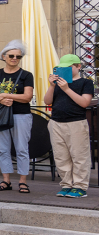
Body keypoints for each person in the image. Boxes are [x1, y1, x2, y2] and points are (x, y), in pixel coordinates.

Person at [0, 40, 35, 193]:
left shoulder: (26, 75)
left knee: (21, 149)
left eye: (18, 56)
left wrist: (6, 95)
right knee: (2, 149)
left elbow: (27, 97)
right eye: (11, 55)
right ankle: (6, 180)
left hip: (21, 115)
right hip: (0, 115)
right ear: (4, 56)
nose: (15, 58)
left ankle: (22, 181)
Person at [43, 54, 94, 198]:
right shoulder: (58, 83)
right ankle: (66, 185)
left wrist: (66, 89)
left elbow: (84, 103)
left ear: (78, 66)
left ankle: (80, 186)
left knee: (79, 156)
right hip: (56, 122)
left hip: (76, 122)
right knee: (61, 156)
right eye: (62, 67)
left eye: (69, 67)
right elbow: (47, 101)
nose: (65, 70)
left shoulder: (85, 82)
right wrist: (52, 86)